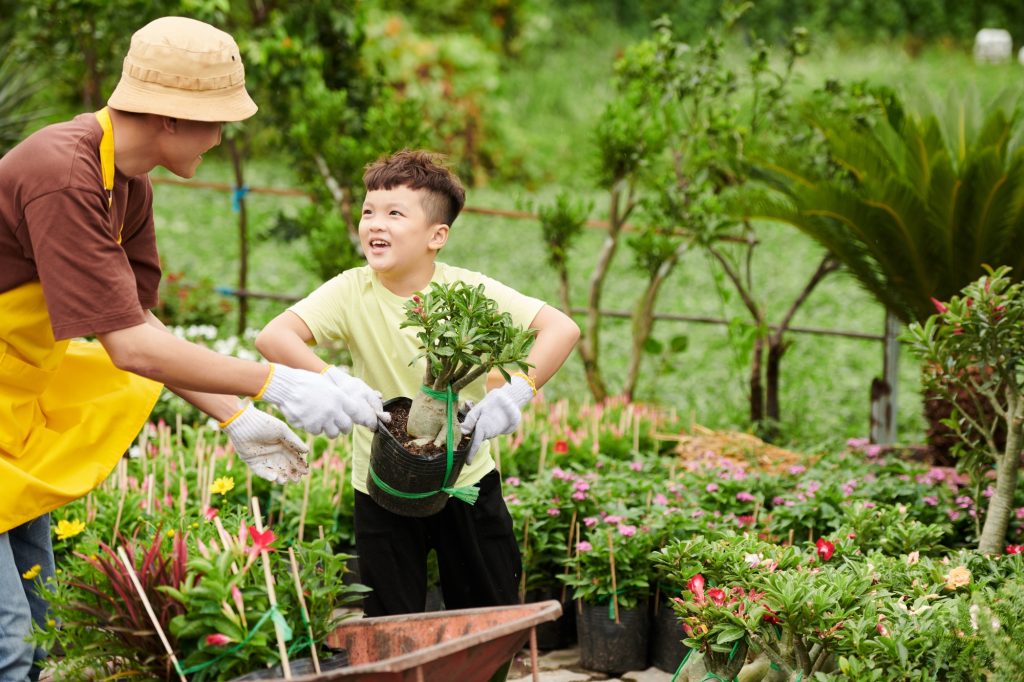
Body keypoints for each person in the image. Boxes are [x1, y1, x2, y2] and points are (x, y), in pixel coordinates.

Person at [0, 17, 383, 680]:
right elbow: (127, 349)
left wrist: (235, 415)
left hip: (13, 414)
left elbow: (140, 323)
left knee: (36, 632)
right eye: (216, 121)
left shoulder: (126, 183)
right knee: (8, 645)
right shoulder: (62, 173)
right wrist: (276, 383)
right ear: (171, 118)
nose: (222, 137)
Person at [256, 149, 580, 620]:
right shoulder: (351, 290)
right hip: (381, 484)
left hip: (464, 482)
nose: (375, 224)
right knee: (391, 624)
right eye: (368, 211)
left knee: (488, 617)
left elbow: (561, 328)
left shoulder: (468, 293)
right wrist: (336, 381)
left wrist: (517, 390)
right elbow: (274, 336)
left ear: (437, 236)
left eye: (394, 213)